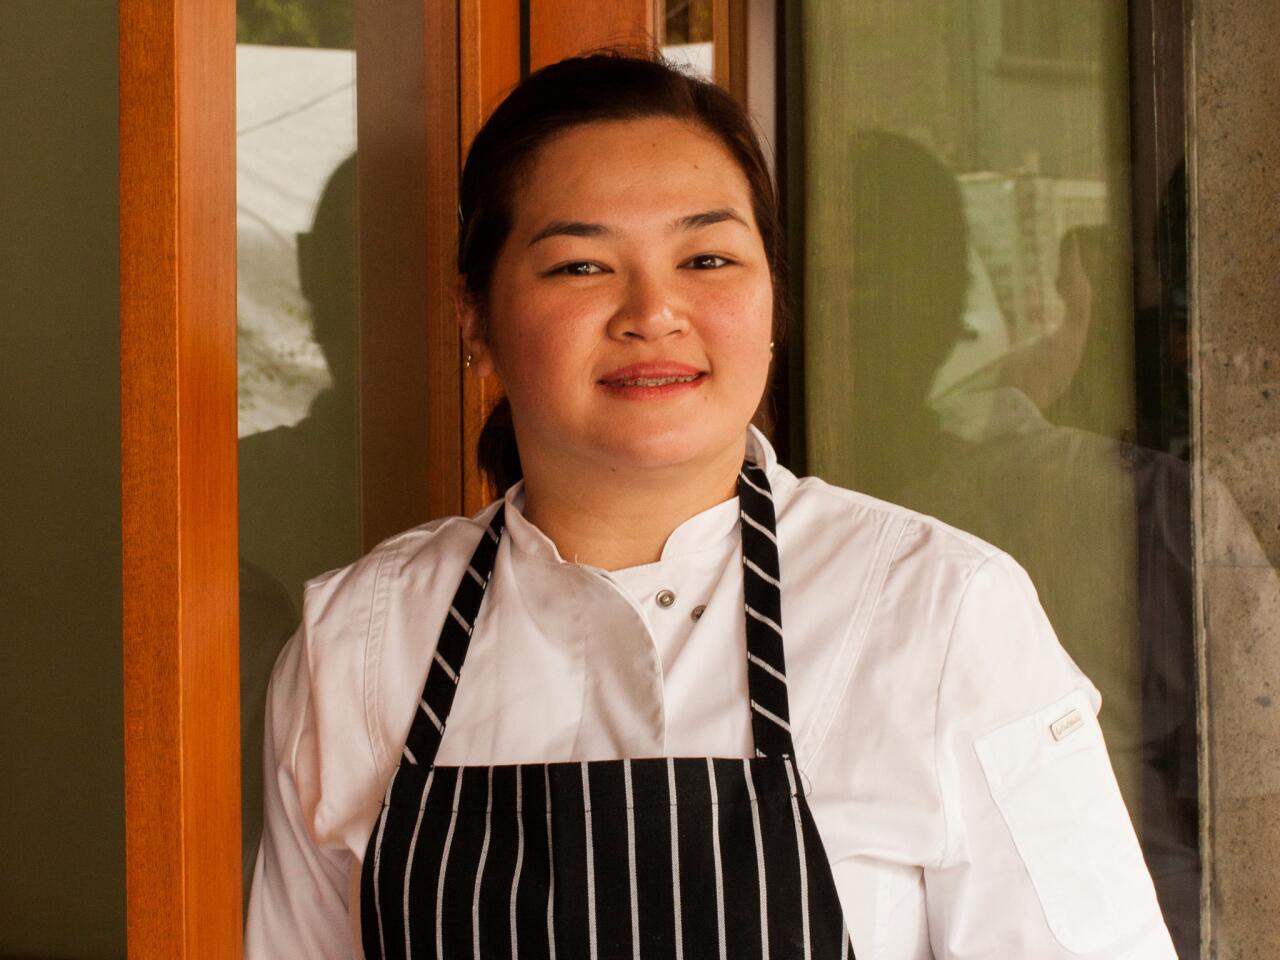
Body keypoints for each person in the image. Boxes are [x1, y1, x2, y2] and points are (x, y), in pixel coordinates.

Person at [245, 50, 1177, 959]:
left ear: (773, 300)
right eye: (580, 266)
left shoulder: (939, 612)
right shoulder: (357, 646)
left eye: (708, 258)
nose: (654, 311)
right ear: (475, 319)